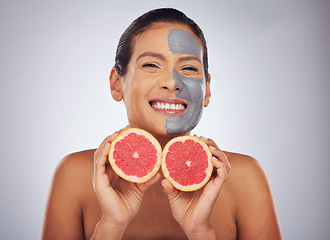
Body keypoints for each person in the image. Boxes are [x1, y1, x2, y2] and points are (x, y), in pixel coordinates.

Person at [41, 8, 282, 240]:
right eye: (151, 65)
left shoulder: (244, 178)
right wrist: (111, 225)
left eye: (188, 67)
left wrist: (200, 232)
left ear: (207, 90)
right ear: (117, 83)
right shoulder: (75, 175)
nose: (171, 82)